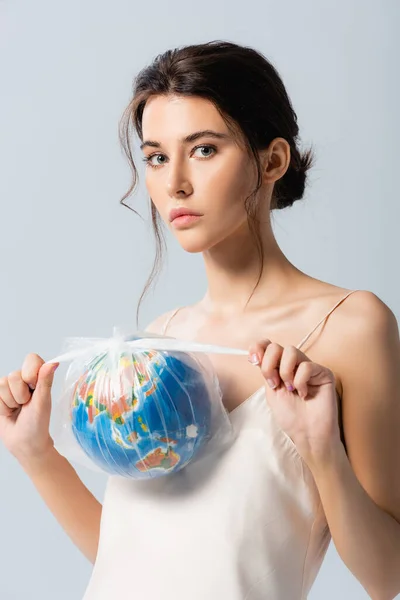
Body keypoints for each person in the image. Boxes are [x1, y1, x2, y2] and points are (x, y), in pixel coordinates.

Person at [1, 40, 400, 600]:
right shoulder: (160, 341)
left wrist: (322, 453)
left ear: (273, 161)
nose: (175, 184)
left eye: (204, 150)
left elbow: (387, 578)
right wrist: (36, 454)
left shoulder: (350, 326)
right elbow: (131, 561)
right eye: (157, 157)